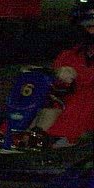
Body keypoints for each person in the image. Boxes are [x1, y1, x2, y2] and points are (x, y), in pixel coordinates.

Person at [36, 1, 94, 147]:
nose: (90, 29)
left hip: (82, 110)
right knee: (40, 99)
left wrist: (80, 76)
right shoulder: (69, 55)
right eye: (88, 25)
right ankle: (17, 135)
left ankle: (60, 137)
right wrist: (58, 75)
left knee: (85, 97)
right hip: (64, 106)